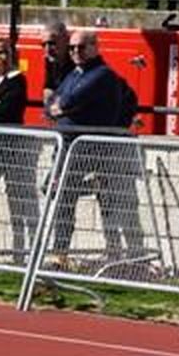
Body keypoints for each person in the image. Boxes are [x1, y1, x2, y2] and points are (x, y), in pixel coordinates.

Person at [47, 30, 145, 265]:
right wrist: (59, 107)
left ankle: (121, 256)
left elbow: (69, 101)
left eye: (80, 47)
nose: (75, 53)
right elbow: (50, 104)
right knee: (58, 193)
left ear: (94, 47)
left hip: (88, 148)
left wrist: (64, 108)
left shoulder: (102, 75)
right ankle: (61, 253)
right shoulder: (74, 74)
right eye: (71, 49)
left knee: (69, 194)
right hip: (68, 146)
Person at [0, 38, 40, 256]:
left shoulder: (17, 81)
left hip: (11, 150)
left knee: (18, 202)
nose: (3, 57)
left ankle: (21, 251)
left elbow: (6, 112)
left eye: (5, 52)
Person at [41, 20, 70, 109]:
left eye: (52, 43)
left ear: (66, 40)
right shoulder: (51, 61)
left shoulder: (78, 63)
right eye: (43, 44)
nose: (47, 49)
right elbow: (48, 87)